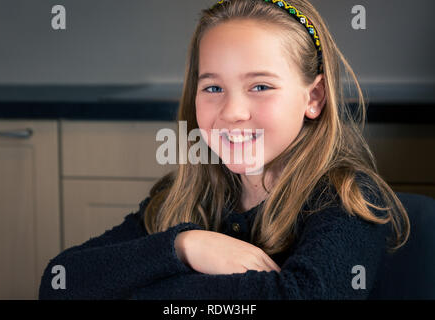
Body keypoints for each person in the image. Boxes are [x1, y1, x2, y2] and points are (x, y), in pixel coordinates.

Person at [39, 0, 410, 300]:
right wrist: (185, 247)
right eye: (213, 88)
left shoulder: (348, 198)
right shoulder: (180, 196)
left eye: (260, 86)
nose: (232, 112)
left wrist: (136, 288)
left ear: (313, 97)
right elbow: (61, 281)